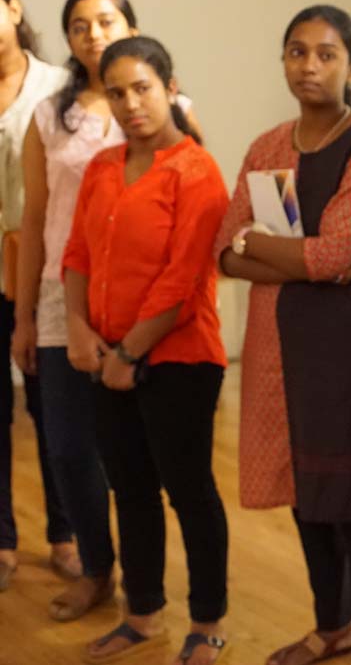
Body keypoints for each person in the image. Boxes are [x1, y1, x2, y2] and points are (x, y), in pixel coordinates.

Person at [215, 5, 351, 665]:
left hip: (344, 351)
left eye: (326, 53)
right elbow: (223, 252)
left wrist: (260, 246)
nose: (309, 66)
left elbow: (330, 254)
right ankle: (331, 626)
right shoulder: (268, 146)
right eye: (297, 51)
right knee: (304, 491)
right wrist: (296, 257)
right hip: (277, 345)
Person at [16, 0, 201, 621]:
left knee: (138, 457)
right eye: (79, 25)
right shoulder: (51, 115)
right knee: (68, 447)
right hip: (61, 298)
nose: (93, 34)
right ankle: (97, 568)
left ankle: (149, 590)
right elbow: (37, 219)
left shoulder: (170, 106)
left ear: (131, 27)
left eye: (106, 20)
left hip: (147, 306)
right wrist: (26, 318)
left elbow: (196, 200)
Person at [63, 36, 230, 665]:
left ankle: (208, 622)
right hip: (106, 354)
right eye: (117, 93)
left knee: (189, 492)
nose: (131, 104)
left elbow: (182, 280)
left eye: (142, 88)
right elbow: (78, 253)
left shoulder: (197, 170)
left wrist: (129, 354)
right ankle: (142, 614)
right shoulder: (102, 167)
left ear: (169, 87)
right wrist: (78, 327)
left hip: (180, 358)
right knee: (130, 490)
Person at [0, 0, 75, 590]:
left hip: (42, 270)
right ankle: (2, 538)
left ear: (15, 8)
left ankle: (66, 533)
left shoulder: (59, 89)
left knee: (53, 410)